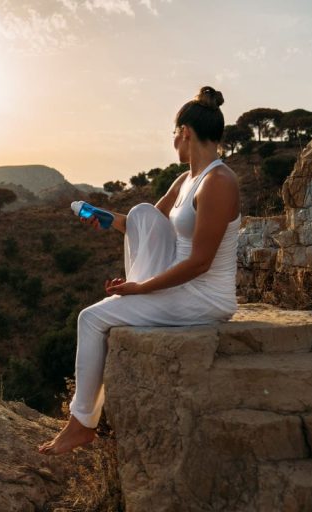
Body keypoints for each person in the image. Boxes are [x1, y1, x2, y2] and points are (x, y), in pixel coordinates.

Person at [38, 86, 241, 455]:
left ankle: (82, 424)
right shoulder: (185, 181)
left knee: (90, 319)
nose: (173, 142)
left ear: (185, 133)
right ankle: (82, 422)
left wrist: (142, 288)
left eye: (173, 134)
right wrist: (102, 215)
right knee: (143, 212)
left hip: (205, 295)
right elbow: (142, 223)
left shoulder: (218, 182)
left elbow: (200, 263)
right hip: (178, 284)